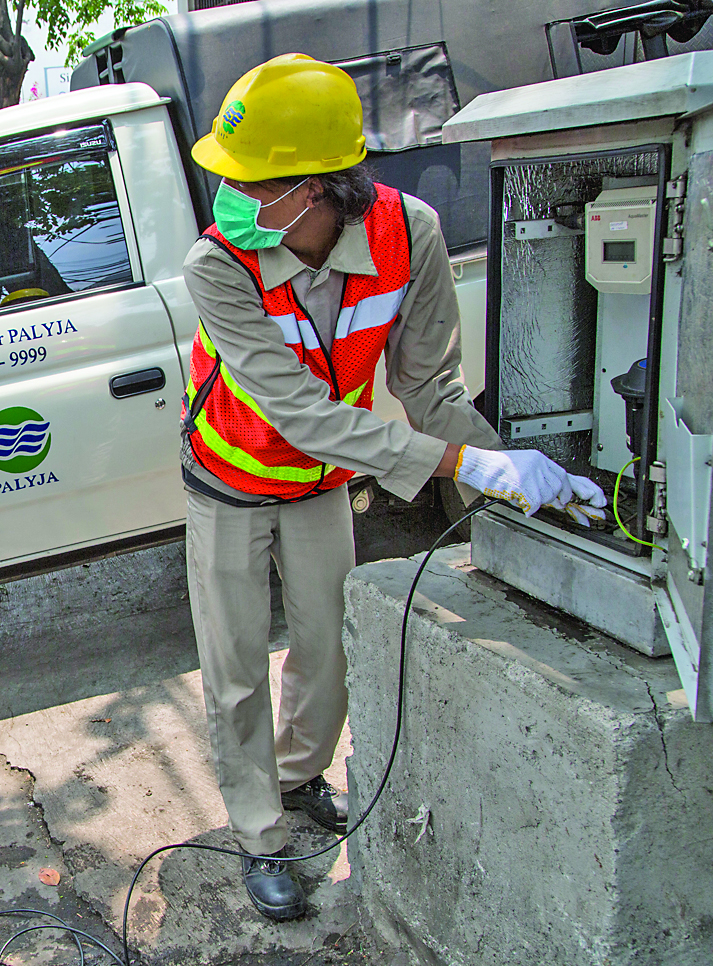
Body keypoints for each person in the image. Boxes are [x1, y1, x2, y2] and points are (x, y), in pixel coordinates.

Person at [179, 54, 608, 921]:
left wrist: (523, 479)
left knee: (327, 650)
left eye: (251, 182)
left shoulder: (406, 235)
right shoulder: (219, 264)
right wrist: (458, 466)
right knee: (233, 672)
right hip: (226, 480)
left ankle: (297, 781)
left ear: (316, 188)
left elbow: (430, 387)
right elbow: (298, 410)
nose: (230, 199)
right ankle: (259, 834)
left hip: (322, 484)